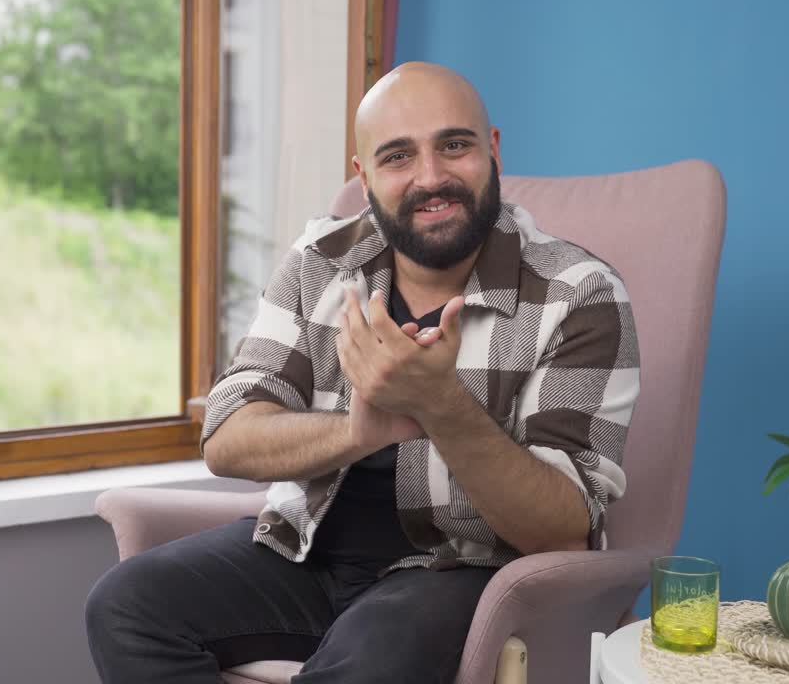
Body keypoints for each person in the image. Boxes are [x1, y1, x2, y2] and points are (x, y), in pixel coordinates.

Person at [85, 61, 640, 683]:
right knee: (126, 606)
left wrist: (441, 405)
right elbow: (227, 437)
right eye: (398, 156)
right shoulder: (323, 260)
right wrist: (360, 430)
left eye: (454, 145)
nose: (431, 178)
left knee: (373, 655)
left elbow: (563, 523)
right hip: (304, 549)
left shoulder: (579, 294)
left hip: (461, 568)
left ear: (493, 150)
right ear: (365, 175)